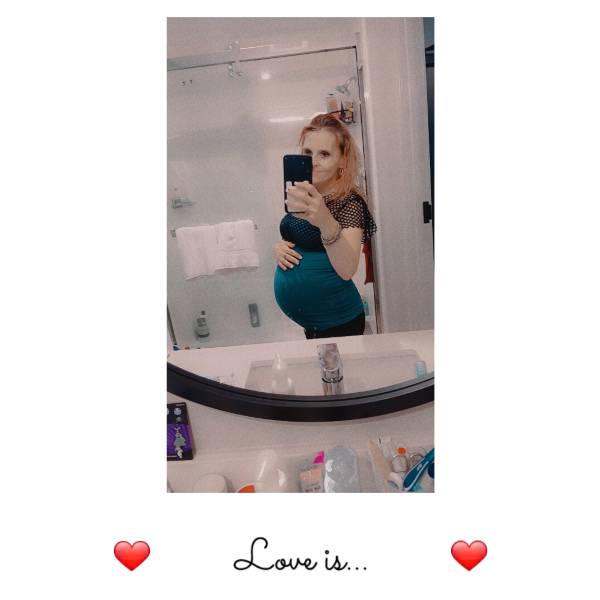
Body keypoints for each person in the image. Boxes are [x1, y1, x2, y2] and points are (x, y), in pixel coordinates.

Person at [273, 113, 377, 339]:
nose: (313, 161)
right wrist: (279, 248)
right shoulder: (305, 195)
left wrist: (325, 220)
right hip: (314, 324)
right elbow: (299, 239)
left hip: (340, 322)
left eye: (325, 154)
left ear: (342, 160)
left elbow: (347, 270)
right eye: (307, 153)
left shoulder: (349, 203)